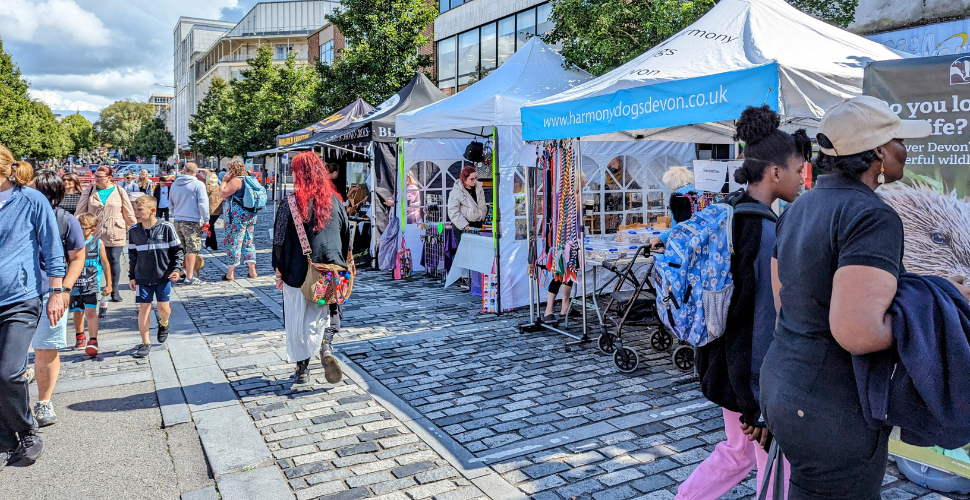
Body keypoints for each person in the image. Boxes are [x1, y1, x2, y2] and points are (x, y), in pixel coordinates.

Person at [758, 96, 964, 499]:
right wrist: (941, 298)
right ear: (877, 154)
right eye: (899, 140)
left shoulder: (801, 207)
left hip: (784, 386)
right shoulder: (873, 215)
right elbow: (858, 331)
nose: (906, 148)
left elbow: (785, 301)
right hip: (834, 406)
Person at [675, 106, 810, 500]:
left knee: (738, 452)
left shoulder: (729, 212)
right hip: (749, 381)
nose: (803, 180)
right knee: (777, 466)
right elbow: (759, 326)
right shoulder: (767, 232)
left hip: (721, 364)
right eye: (798, 169)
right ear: (775, 173)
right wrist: (758, 406)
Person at [0, 143, 65, 468]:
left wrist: (57, 291)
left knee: (9, 372)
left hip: (19, 299)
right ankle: (4, 437)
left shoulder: (31, 200)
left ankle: (27, 431)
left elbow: (53, 249)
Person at [273, 151, 350, 385]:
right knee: (328, 312)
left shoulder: (291, 203)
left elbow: (279, 241)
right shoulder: (335, 201)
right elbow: (346, 235)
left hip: (300, 273)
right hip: (331, 271)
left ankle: (303, 369)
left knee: (298, 319)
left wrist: (279, 271)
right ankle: (326, 347)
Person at [29, 170, 88, 427]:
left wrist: (63, 290)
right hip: (17, 292)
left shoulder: (66, 221)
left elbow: (78, 258)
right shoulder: (17, 215)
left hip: (50, 293)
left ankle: (44, 402)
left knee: (46, 348)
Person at [128, 195, 183, 359]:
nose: (136, 213)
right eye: (135, 209)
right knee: (144, 309)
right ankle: (145, 342)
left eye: (140, 210)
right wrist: (132, 275)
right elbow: (132, 255)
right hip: (142, 277)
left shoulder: (166, 227)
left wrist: (177, 269)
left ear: (152, 211)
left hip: (163, 276)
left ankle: (164, 323)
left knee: (163, 308)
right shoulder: (133, 231)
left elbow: (178, 251)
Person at [76, 165, 136, 303]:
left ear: (109, 178)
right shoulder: (89, 191)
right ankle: (93, 289)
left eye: (99, 177)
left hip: (115, 230)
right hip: (94, 232)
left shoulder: (119, 191)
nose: (96, 179)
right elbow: (80, 212)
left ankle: (114, 290)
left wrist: (135, 229)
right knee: (94, 261)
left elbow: (128, 212)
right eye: (95, 176)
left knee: (114, 259)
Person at [71, 212, 111, 357]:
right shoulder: (72, 243)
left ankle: (93, 340)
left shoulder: (98, 243)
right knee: (77, 313)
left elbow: (106, 264)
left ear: (92, 230)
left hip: (92, 283)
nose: (79, 231)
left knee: (90, 312)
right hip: (75, 284)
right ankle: (80, 336)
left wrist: (109, 284)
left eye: (83, 228)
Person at [169, 162, 209, 285]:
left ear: (184, 170)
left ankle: (181, 272)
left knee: (181, 248)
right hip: (192, 220)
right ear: (196, 172)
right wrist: (206, 220)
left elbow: (170, 203)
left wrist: (175, 213)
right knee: (192, 249)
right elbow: (203, 204)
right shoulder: (198, 184)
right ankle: (190, 277)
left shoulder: (175, 184)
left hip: (178, 220)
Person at [219, 160, 258, 280]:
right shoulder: (249, 178)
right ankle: (252, 271)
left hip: (237, 216)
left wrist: (225, 181)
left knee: (234, 242)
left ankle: (230, 273)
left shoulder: (236, 180)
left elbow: (222, 193)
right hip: (250, 214)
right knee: (248, 241)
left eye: (229, 169)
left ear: (233, 169)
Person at [447, 165, 486, 246]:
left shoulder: (479, 189)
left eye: (475, 178)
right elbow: (453, 212)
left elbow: (481, 204)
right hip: (463, 227)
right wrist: (465, 225)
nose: (474, 181)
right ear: (464, 179)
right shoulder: (455, 192)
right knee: (465, 252)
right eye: (472, 179)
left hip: (478, 225)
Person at [205, 170, 223, 251]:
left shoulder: (207, 188)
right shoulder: (219, 187)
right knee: (210, 226)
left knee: (210, 227)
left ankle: (213, 245)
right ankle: (207, 243)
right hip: (218, 210)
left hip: (210, 210)